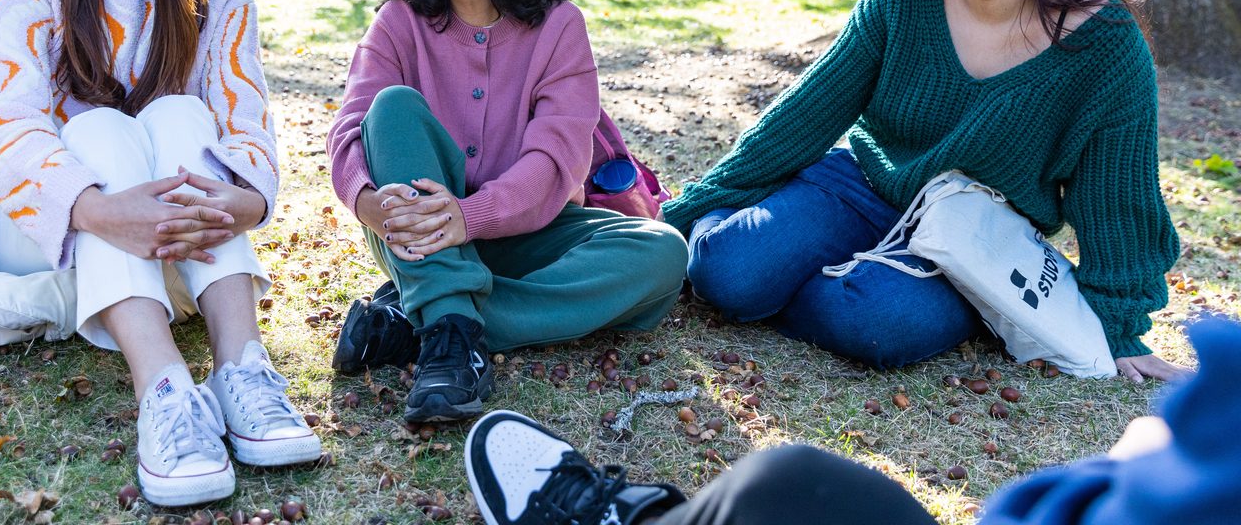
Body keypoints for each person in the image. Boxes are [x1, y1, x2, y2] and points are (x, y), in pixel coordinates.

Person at [669, 0, 1183, 380]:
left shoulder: (1103, 45)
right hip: (861, 186)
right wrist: (687, 213)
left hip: (970, 234)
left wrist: (1119, 328)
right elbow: (804, 115)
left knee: (873, 320)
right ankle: (776, 259)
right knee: (726, 271)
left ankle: (837, 283)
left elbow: (1116, 196)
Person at [0, 0, 318, 507]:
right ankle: (164, 390)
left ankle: (243, 369)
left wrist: (243, 200)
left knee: (180, 118)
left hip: (183, 245)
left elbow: (246, 127)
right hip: (48, 233)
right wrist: (97, 207)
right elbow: (5, 133)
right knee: (95, 126)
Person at [325, 0, 688, 423]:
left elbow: (558, 158)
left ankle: (426, 318)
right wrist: (369, 202)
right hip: (412, 226)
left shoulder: (558, 26)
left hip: (529, 226)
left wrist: (470, 218)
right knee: (392, 108)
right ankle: (450, 330)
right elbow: (352, 128)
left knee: (662, 254)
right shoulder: (398, 21)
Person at [461, 318, 1241, 525]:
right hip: (885, 221)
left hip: (979, 264)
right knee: (731, 265)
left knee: (785, 479)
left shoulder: (1097, 44)